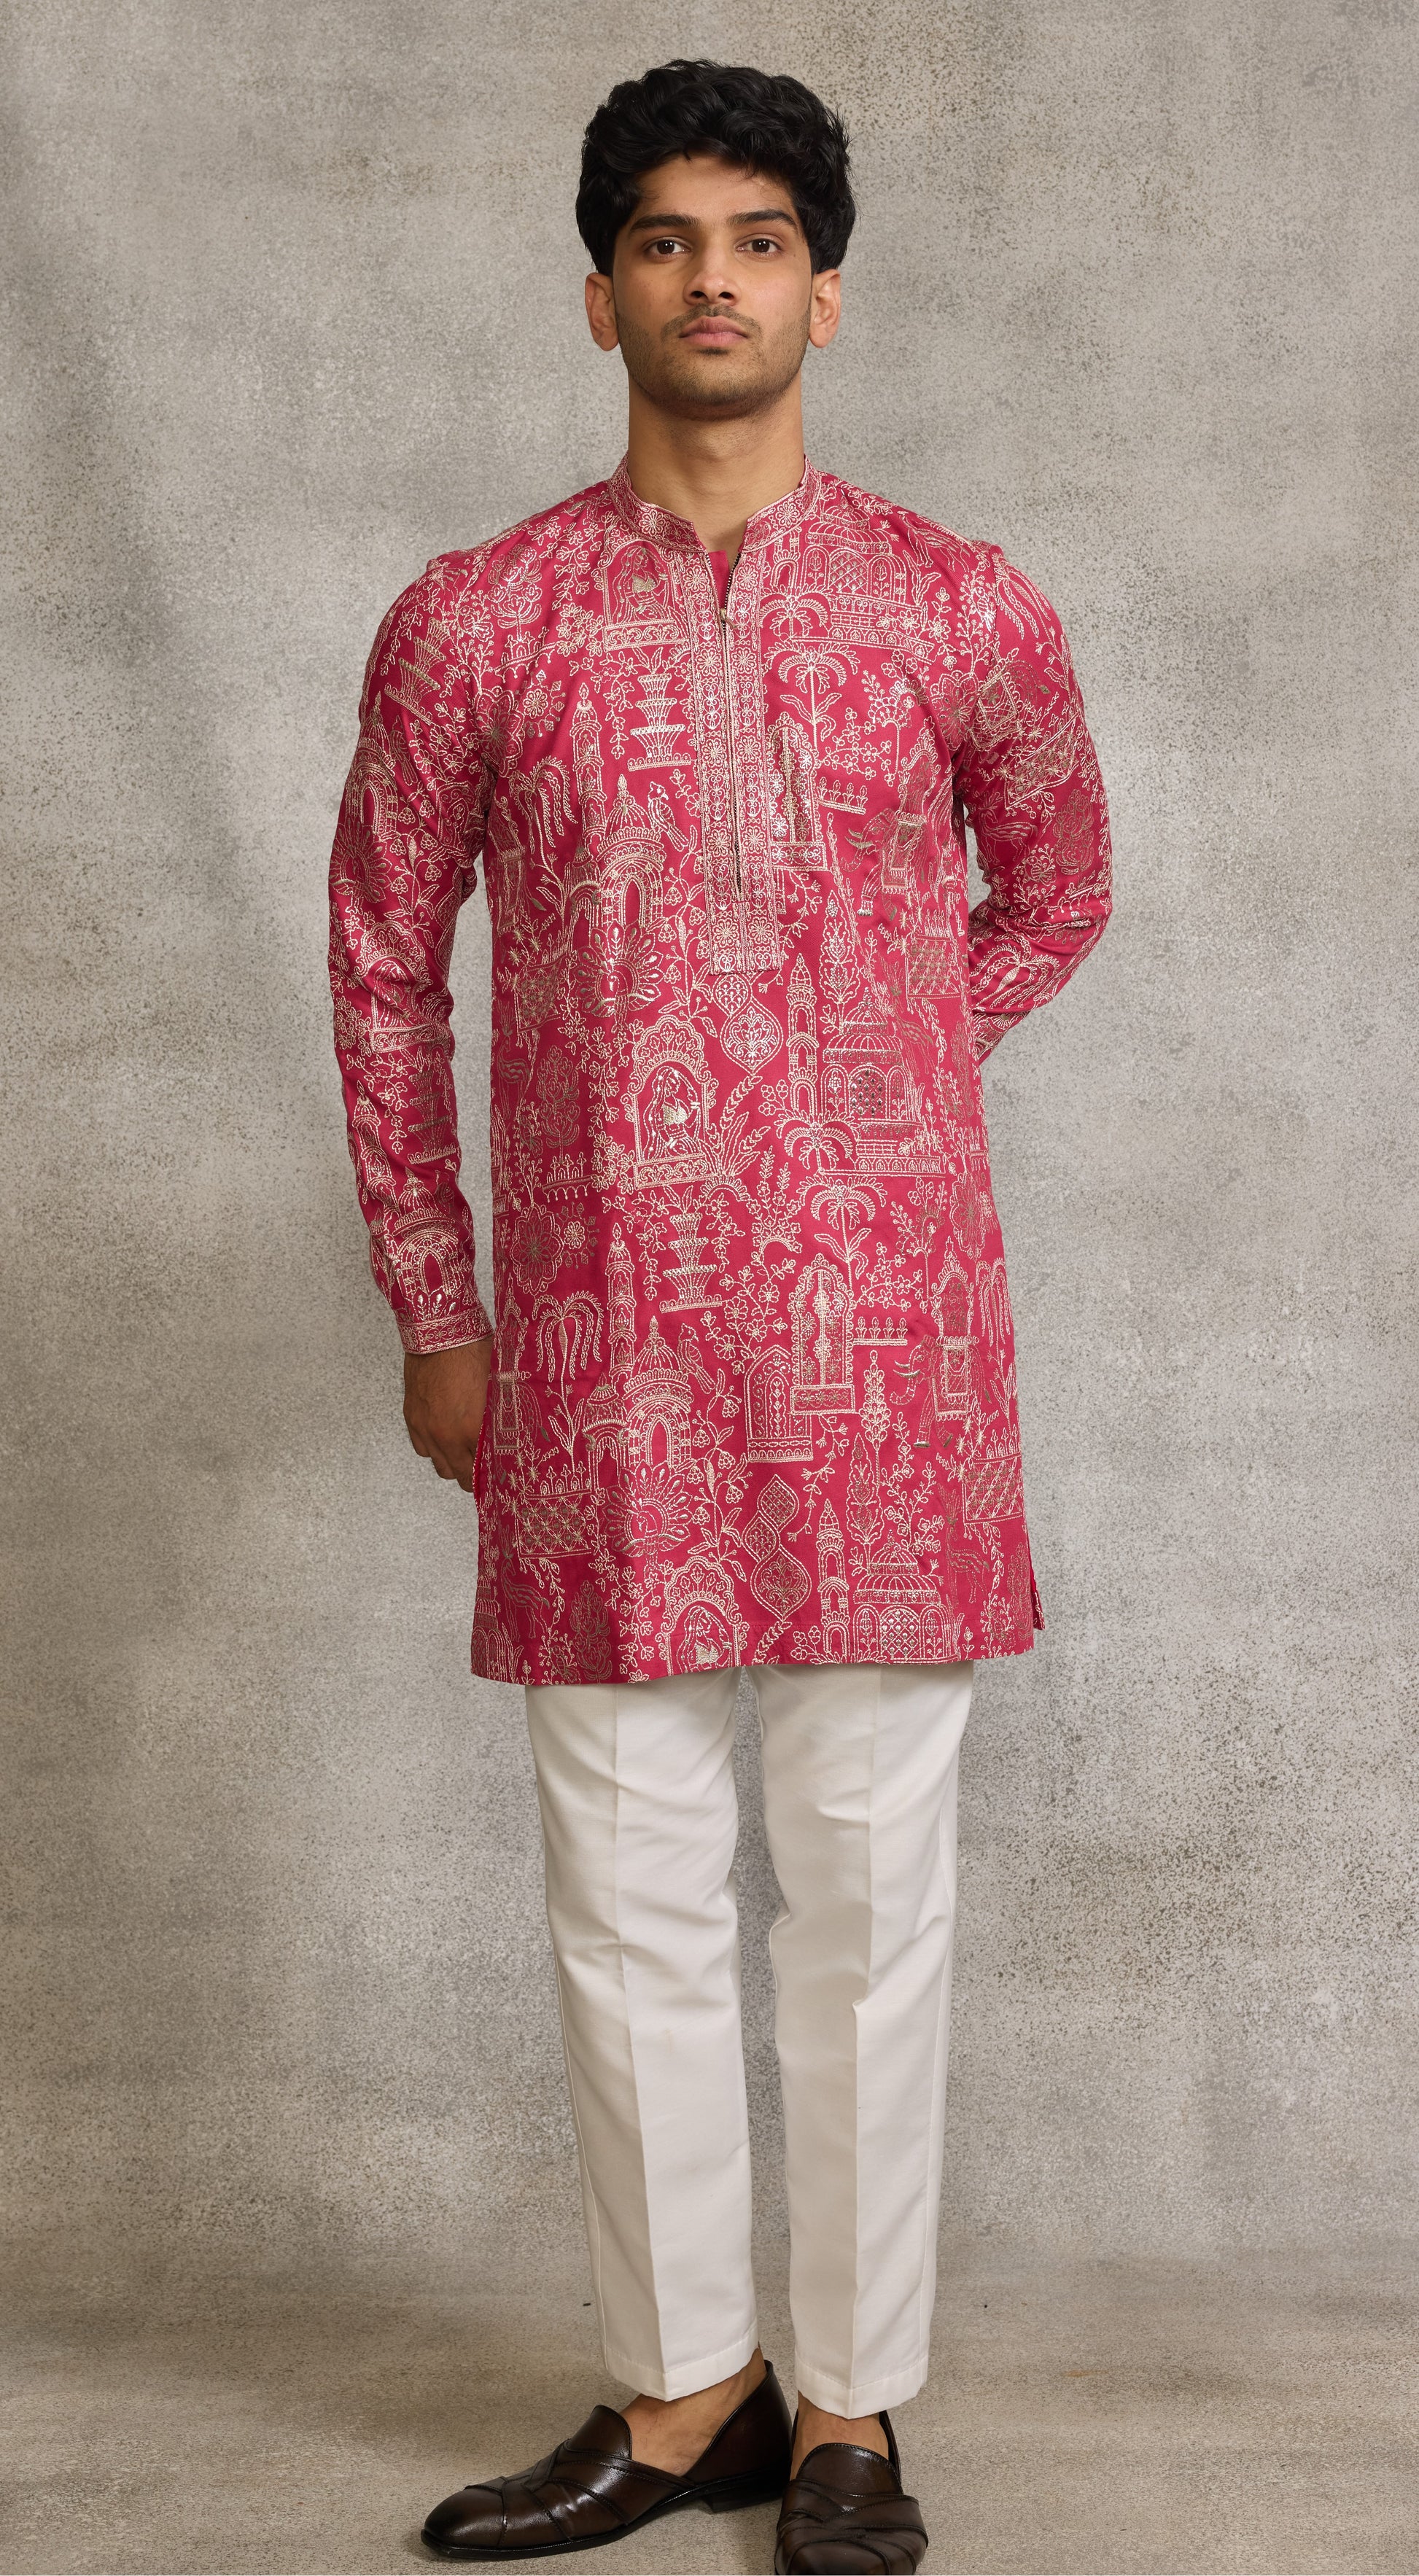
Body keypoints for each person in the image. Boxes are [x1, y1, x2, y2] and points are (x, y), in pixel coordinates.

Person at [329, 58, 1111, 2573]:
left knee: (871, 1902)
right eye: (662, 239)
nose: (710, 280)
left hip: (888, 1347)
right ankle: (685, 2397)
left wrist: (869, 1074)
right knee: (628, 1886)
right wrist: (440, 1299)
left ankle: (853, 2409)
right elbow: (381, 970)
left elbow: (1056, 886)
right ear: (599, 295)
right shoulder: (478, 619)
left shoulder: (959, 604)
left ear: (823, 292)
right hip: (591, 1352)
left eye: (756, 239)